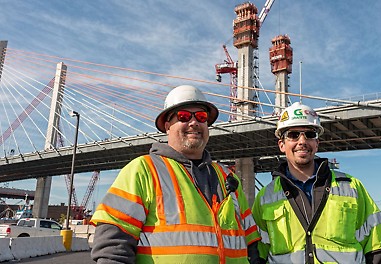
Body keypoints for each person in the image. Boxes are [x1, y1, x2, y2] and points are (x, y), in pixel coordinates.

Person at [91, 85, 261, 263]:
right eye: (184, 116)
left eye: (201, 117)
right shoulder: (143, 170)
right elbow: (112, 247)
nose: (194, 122)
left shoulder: (228, 178)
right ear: (167, 126)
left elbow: (251, 243)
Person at [251, 102, 381, 264]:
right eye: (293, 135)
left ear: (317, 143)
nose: (302, 141)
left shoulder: (351, 187)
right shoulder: (265, 197)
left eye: (310, 134)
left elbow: (377, 247)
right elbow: (258, 254)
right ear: (281, 145)